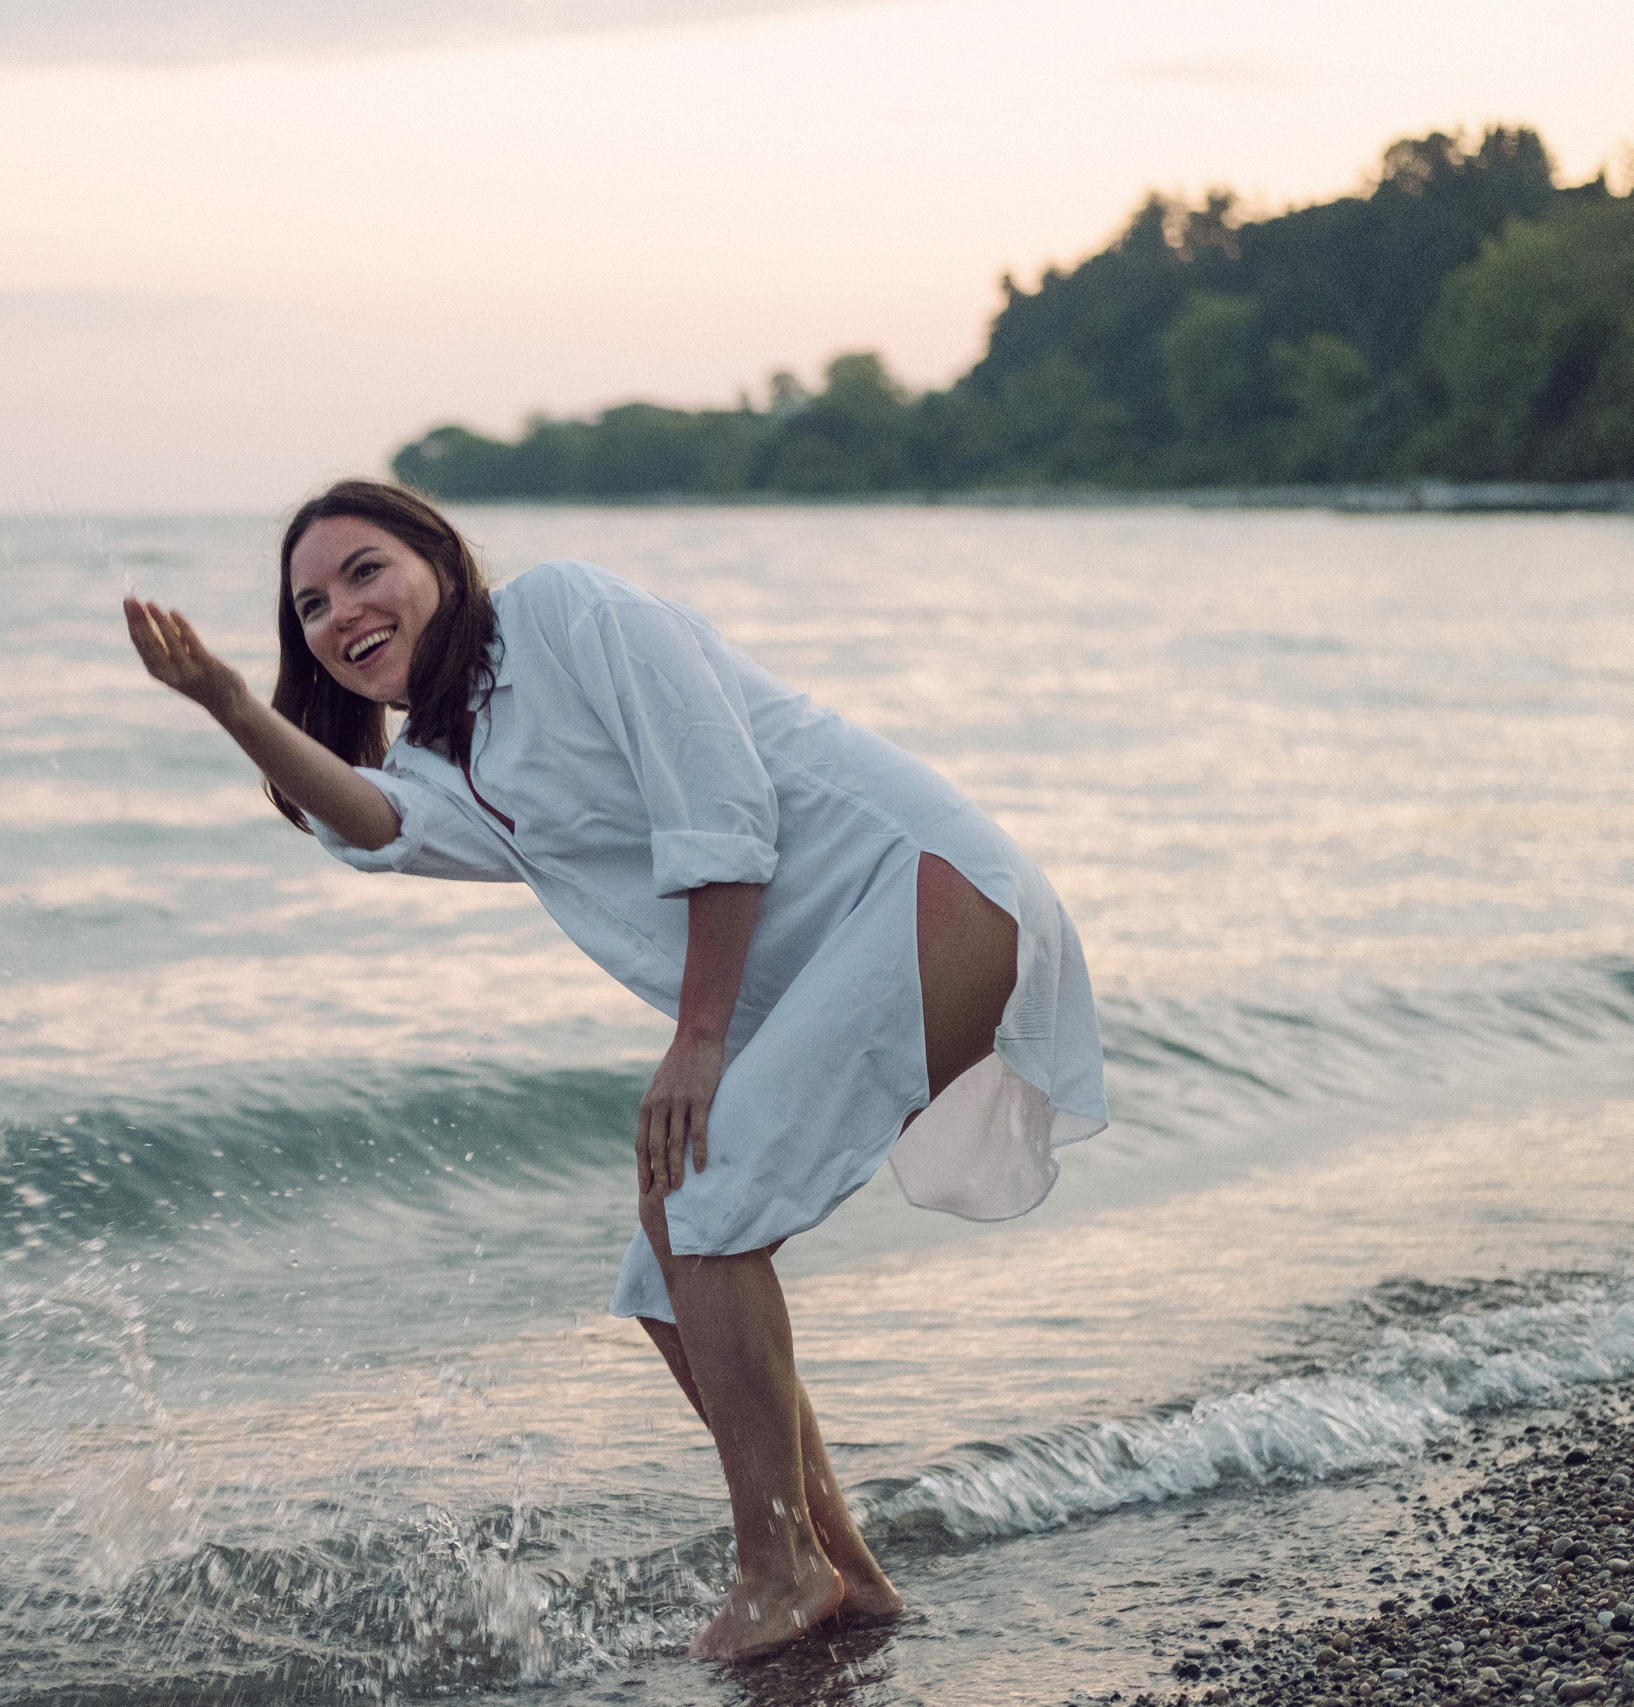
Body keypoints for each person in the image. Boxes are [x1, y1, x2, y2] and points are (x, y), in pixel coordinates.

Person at [122, 478, 1107, 1662]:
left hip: (919, 890)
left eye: (365, 569)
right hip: (825, 961)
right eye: (312, 606)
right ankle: (841, 1572)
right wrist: (227, 701)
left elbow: (721, 800)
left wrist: (697, 1037)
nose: (342, 612)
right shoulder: (451, 763)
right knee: (668, 1261)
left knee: (701, 1205)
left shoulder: (563, 611)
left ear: (439, 559)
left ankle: (777, 1569)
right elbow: (374, 823)